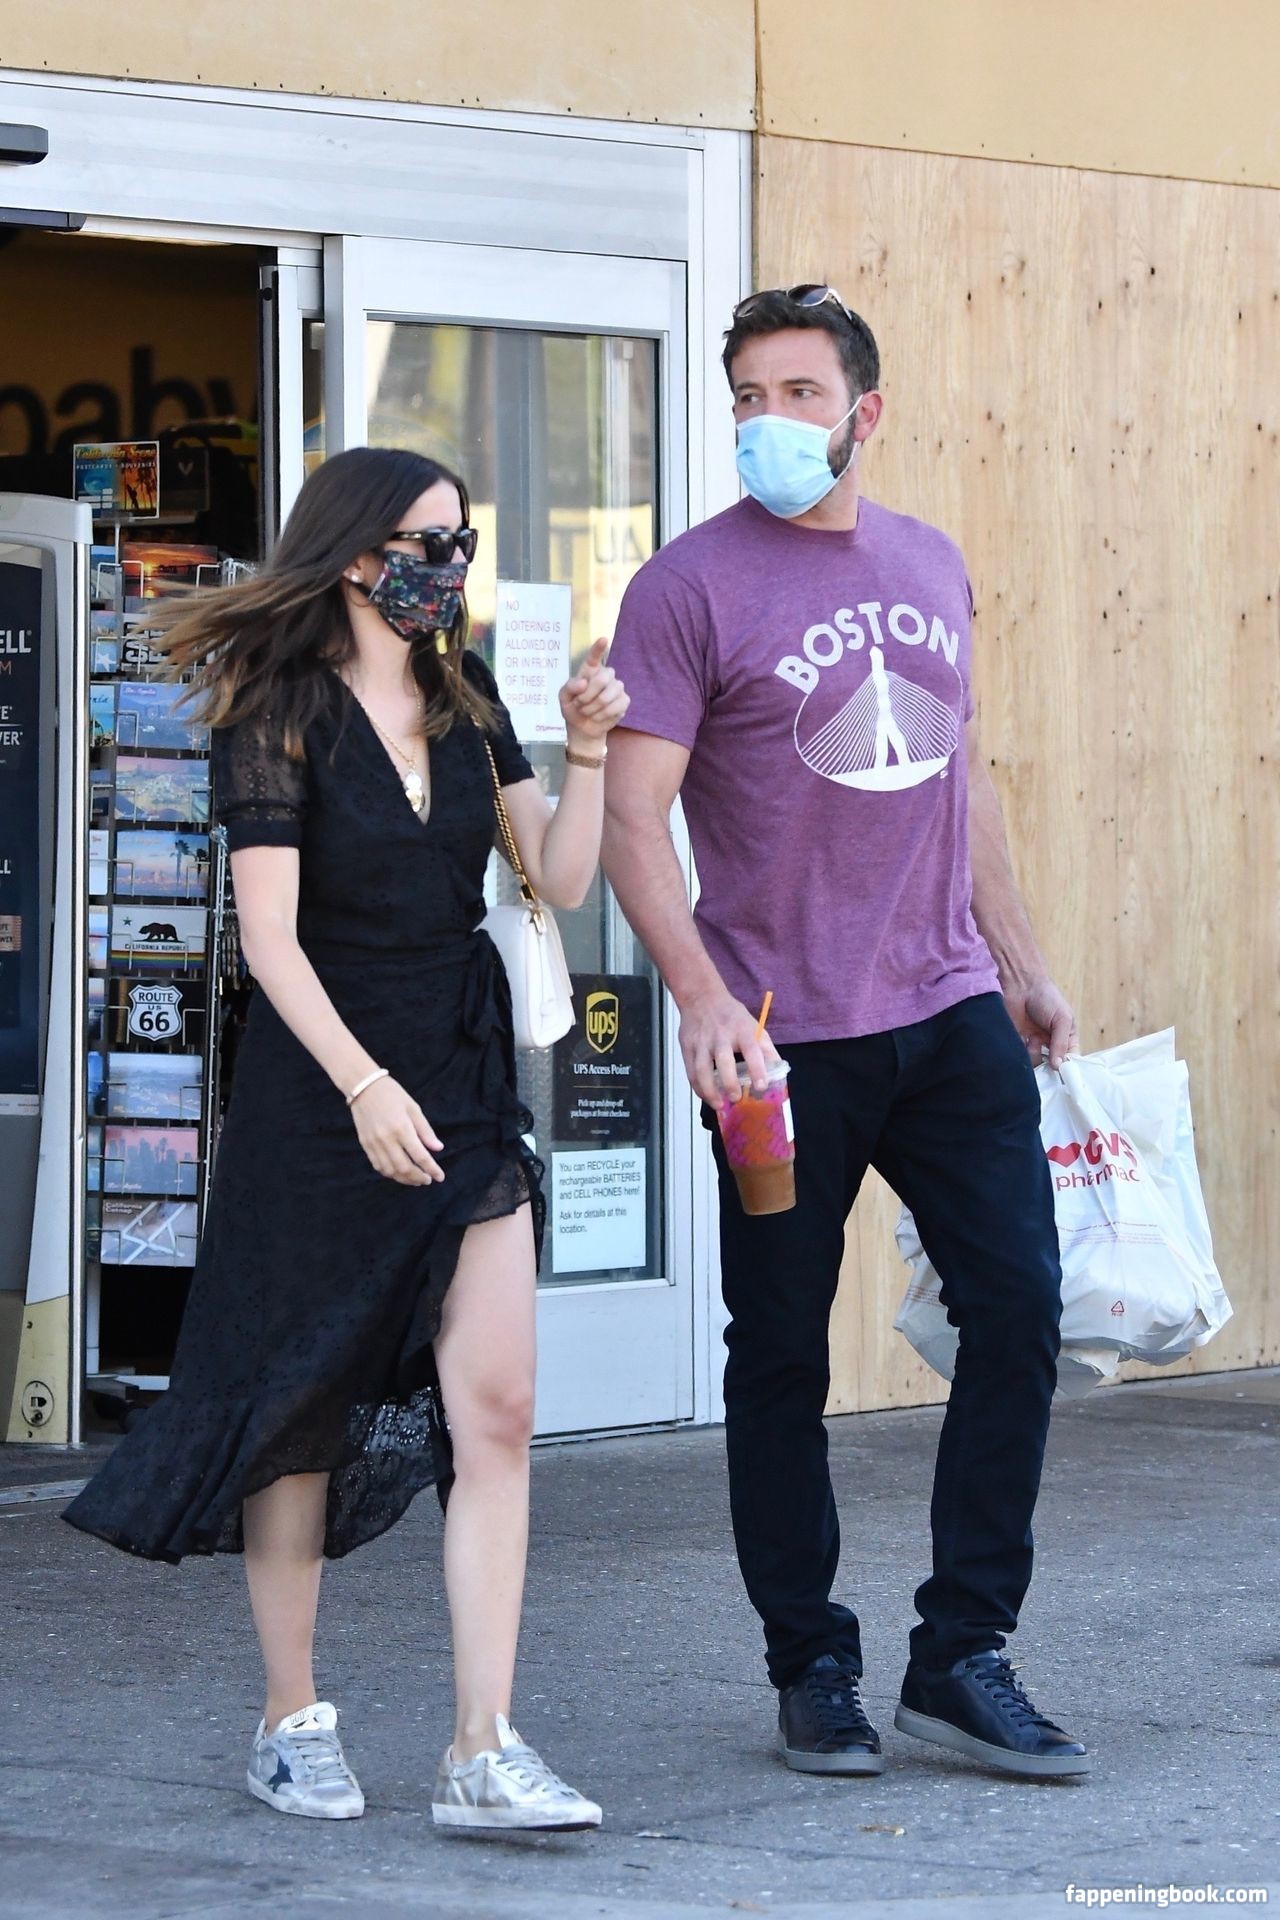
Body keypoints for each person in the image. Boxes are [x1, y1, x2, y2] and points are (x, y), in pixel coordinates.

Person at [66, 446, 629, 1828]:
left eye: (463, 541)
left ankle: (482, 1747)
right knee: (300, 1407)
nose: (452, 566)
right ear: (358, 553)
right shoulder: (280, 706)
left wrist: (591, 752)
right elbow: (268, 938)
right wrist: (365, 1086)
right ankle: (290, 1717)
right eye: (430, 543)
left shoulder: (466, 694)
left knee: (499, 1409)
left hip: (463, 1077)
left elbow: (560, 876)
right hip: (324, 1095)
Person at [603, 285, 1089, 1781]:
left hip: (949, 1012)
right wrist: (699, 998)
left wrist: (1021, 964)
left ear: (863, 412)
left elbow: (961, 778)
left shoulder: (929, 560)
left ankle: (964, 1651)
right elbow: (632, 819)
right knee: (779, 1356)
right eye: (747, 394)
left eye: (798, 393)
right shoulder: (685, 587)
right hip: (777, 1044)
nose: (768, 419)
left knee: (1020, 1316)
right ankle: (810, 1663)